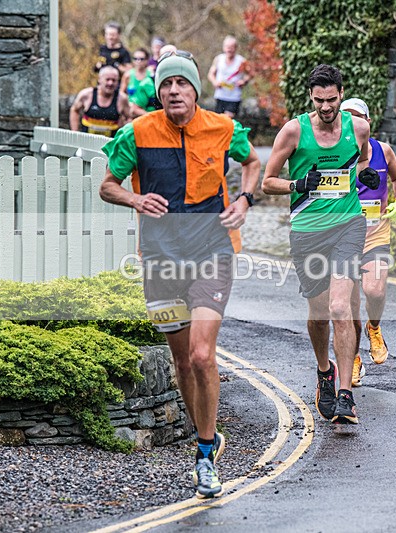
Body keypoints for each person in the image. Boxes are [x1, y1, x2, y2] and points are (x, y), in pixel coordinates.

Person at [99, 49, 261, 498]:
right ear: (158, 91)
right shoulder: (137, 132)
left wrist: (245, 200)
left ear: (195, 90)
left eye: (182, 84)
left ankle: (205, 455)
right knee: (181, 361)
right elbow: (108, 185)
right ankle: (205, 436)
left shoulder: (223, 128)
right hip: (160, 258)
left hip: (213, 250)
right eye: (166, 84)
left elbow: (251, 164)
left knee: (203, 355)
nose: (174, 90)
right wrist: (134, 199)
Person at [261, 64, 380, 425]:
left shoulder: (358, 127)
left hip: (348, 225)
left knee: (341, 307)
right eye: (319, 101)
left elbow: (360, 160)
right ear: (310, 98)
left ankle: (345, 395)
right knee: (319, 313)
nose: (326, 108)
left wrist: (365, 174)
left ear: (342, 95)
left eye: (331, 100)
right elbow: (267, 182)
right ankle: (324, 370)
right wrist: (299, 184)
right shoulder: (293, 131)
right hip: (308, 231)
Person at [338, 98, 396, 387]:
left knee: (374, 290)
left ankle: (374, 327)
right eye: (346, 119)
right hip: (342, 237)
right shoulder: (334, 154)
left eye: (357, 118)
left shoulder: (383, 150)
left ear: (368, 122)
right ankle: (353, 359)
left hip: (376, 233)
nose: (352, 124)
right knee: (348, 305)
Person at [69, 66, 130, 137]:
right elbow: (74, 110)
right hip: (87, 142)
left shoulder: (122, 98)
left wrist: (123, 133)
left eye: (114, 80)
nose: (110, 83)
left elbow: (129, 117)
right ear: (99, 80)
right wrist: (74, 132)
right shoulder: (87, 94)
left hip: (109, 144)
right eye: (107, 79)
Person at [207, 36, 251, 118]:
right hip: (220, 95)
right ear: (223, 47)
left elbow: (250, 74)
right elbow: (210, 74)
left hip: (234, 97)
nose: (229, 49)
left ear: (236, 48)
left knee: (228, 118)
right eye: (227, 47)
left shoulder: (242, 61)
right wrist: (215, 82)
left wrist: (243, 81)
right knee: (219, 120)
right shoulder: (218, 59)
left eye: (231, 47)